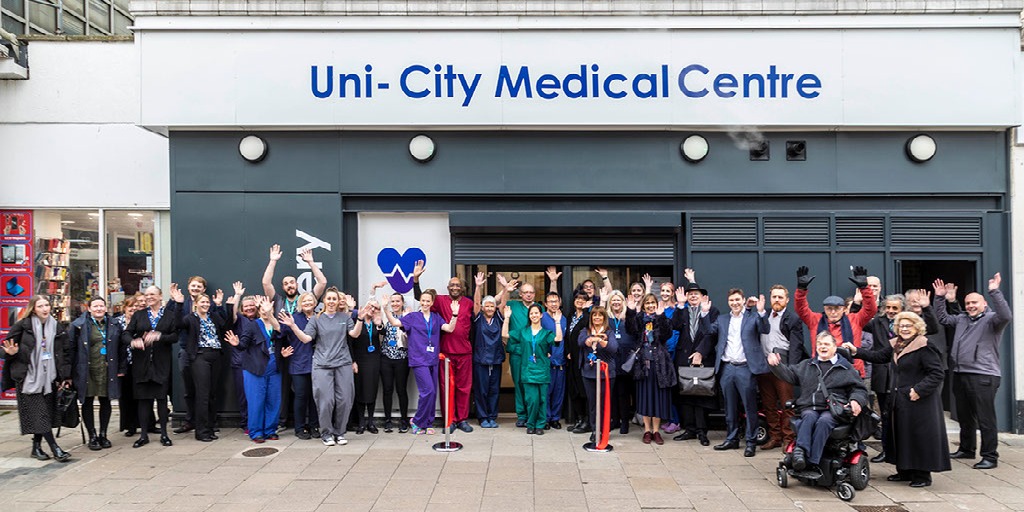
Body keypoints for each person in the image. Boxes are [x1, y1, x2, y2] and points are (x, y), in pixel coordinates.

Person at [844, 312, 950, 487]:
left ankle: (922, 476)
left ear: (917, 327)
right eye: (901, 326)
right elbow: (878, 357)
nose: (904, 329)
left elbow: (937, 373)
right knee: (902, 434)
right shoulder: (896, 344)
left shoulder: (924, 345)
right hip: (900, 399)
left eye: (908, 326)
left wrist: (919, 390)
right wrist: (856, 351)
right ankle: (904, 471)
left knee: (917, 436)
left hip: (919, 401)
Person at [934, 273, 1012, 470]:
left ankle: (990, 456)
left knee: (985, 418)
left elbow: (1006, 316)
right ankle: (967, 448)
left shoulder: (993, 320)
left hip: (983, 375)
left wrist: (994, 291)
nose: (970, 306)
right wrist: (940, 298)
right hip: (961, 373)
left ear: (984, 304)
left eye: (974, 302)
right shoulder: (962, 319)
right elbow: (942, 318)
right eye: (968, 303)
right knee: (965, 416)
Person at [768, 331, 869, 477]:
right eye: (819, 344)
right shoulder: (807, 365)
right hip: (810, 406)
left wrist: (856, 400)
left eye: (826, 344)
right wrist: (776, 365)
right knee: (808, 416)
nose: (822, 347)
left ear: (835, 347)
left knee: (824, 420)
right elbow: (789, 375)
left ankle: (812, 461)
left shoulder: (845, 368)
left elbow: (859, 389)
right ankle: (799, 454)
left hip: (832, 409)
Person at [279, 287, 364, 446]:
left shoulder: (345, 317)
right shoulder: (316, 318)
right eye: (329, 299)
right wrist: (293, 326)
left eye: (334, 299)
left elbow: (354, 334)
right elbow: (306, 338)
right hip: (322, 365)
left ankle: (340, 432)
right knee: (326, 401)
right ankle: (326, 433)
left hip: (343, 363)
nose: (331, 301)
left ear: (338, 301)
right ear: (324, 301)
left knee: (345, 399)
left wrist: (360, 319)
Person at [262, 244, 328, 431]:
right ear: (283, 287)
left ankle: (312, 424)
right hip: (282, 346)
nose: (289, 285)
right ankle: (283, 421)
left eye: (292, 282)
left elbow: (322, 283)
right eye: (286, 283)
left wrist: (311, 262)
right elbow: (266, 283)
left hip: (306, 349)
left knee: (309, 392)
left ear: (297, 284)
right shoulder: (279, 301)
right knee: (284, 387)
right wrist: (273, 261)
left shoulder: (306, 300)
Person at [1, 295, 74, 462]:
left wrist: (65, 375)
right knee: (40, 415)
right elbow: (4, 348)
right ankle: (56, 449)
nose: (45, 309)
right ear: (33, 309)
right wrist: (10, 353)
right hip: (28, 378)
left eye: (46, 305)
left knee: (44, 414)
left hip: (49, 378)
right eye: (40, 306)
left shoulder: (56, 326)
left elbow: (65, 352)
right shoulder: (22, 326)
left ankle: (36, 447)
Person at [383, 288, 459, 435]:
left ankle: (428, 423)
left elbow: (449, 328)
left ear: (432, 303)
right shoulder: (413, 317)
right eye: (423, 300)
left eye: (427, 301)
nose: (425, 303)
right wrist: (386, 308)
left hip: (433, 359)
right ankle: (417, 421)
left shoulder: (436, 317)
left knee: (432, 393)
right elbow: (395, 322)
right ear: (420, 302)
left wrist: (454, 314)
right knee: (427, 391)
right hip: (418, 359)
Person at [703, 289, 769, 457]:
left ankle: (751, 442)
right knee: (729, 407)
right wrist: (704, 313)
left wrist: (761, 311)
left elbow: (765, 329)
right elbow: (709, 331)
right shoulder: (722, 319)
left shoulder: (752, 317)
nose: (735, 303)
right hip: (727, 367)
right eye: (732, 300)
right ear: (728, 302)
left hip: (745, 368)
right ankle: (731, 439)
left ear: (743, 300)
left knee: (749, 406)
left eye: (738, 299)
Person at [412, 260, 475, 433]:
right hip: (445, 353)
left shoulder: (468, 303)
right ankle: (449, 420)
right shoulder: (440, 300)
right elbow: (420, 297)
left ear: (462, 288)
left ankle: (462, 419)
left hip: (465, 352)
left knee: (464, 388)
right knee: (447, 388)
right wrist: (416, 279)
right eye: (452, 285)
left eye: (457, 285)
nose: (454, 287)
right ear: (448, 288)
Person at [794, 265, 876, 384]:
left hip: (851, 371)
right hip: (821, 371)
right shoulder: (815, 320)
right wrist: (801, 289)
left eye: (837, 308)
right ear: (824, 309)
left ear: (844, 309)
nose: (833, 312)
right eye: (829, 308)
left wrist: (864, 288)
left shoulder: (854, 319)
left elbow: (870, 309)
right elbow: (801, 308)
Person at [227, 296, 291, 443]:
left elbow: (283, 336)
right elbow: (243, 344)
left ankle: (270, 430)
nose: (265, 311)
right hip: (254, 369)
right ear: (259, 310)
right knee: (256, 402)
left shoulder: (277, 324)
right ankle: (256, 432)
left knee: (273, 401)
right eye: (262, 309)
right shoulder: (252, 325)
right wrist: (236, 344)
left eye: (268, 309)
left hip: (274, 368)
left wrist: (283, 354)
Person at [123, 285, 180, 448]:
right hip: (141, 363)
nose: (149, 297)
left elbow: (175, 336)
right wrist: (133, 341)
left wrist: (160, 336)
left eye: (152, 294)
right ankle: (143, 435)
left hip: (161, 363)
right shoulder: (139, 315)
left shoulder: (169, 315)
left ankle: (164, 434)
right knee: (143, 400)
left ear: (160, 296)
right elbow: (126, 333)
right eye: (147, 294)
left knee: (161, 399)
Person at [172, 287, 229, 442]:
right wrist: (178, 304)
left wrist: (220, 306)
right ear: (196, 304)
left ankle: (210, 428)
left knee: (212, 394)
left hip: (215, 355)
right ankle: (201, 431)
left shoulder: (213, 317)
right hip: (199, 356)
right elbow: (177, 324)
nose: (205, 304)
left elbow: (226, 326)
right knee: (202, 394)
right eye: (202, 302)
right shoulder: (190, 318)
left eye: (207, 302)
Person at [70, 297, 126, 450]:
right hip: (87, 369)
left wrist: (121, 369)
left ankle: (103, 434)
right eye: (95, 306)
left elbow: (121, 348)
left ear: (106, 308)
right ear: (89, 309)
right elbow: (71, 350)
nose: (99, 309)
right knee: (87, 402)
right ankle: (92, 436)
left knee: (105, 401)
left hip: (107, 369)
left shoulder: (115, 324)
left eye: (102, 306)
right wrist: (69, 374)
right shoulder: (78, 325)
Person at [756, 284, 805, 451]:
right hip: (764, 368)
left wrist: (791, 370)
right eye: (774, 297)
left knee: (787, 405)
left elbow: (796, 347)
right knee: (768, 405)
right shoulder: (763, 314)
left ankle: (788, 439)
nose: (777, 300)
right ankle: (775, 437)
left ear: (787, 300)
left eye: (780, 297)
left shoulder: (793, 319)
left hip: (783, 367)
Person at [670, 274, 716, 446]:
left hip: (703, 359)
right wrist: (680, 305)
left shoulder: (711, 311)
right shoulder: (682, 310)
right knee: (686, 395)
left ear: (703, 296)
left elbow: (712, 335)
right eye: (690, 294)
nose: (693, 296)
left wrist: (700, 352)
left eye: (696, 293)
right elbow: (674, 325)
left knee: (701, 395)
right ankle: (689, 429)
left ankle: (702, 432)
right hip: (683, 359)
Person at [504, 303, 562, 434]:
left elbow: (558, 339)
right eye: (531, 313)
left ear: (541, 315)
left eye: (536, 313)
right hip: (528, 371)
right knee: (531, 399)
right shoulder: (523, 332)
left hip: (542, 371)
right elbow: (505, 334)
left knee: (542, 399)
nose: (534, 315)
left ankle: (540, 425)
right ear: (529, 316)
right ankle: (530, 424)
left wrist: (557, 322)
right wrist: (507, 318)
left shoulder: (546, 333)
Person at [863, 293, 905, 462]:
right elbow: (860, 321)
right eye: (888, 307)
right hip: (882, 375)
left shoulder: (908, 323)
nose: (890, 311)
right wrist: (859, 303)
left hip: (901, 375)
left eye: (895, 308)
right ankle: (886, 451)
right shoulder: (877, 322)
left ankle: (903, 451)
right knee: (885, 416)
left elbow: (932, 327)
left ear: (902, 309)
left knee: (901, 416)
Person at [629, 294, 675, 445]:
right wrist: (631, 311)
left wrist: (661, 317)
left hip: (659, 364)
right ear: (643, 306)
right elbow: (631, 329)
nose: (650, 305)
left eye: (652, 303)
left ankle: (656, 431)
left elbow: (666, 334)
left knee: (658, 399)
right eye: (647, 303)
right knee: (645, 398)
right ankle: (647, 430)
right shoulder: (639, 319)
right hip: (643, 364)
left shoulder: (662, 318)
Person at [497, 273, 535, 428]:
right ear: (520, 294)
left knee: (531, 384)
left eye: (531, 292)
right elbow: (501, 306)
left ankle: (532, 414)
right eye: (525, 292)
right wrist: (506, 289)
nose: (528, 295)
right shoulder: (513, 305)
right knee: (519, 383)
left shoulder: (538, 308)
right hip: (517, 352)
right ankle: (522, 415)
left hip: (533, 353)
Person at [281, 292, 320, 439]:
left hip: (319, 363)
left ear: (315, 303)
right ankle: (300, 428)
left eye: (310, 300)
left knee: (315, 397)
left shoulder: (320, 317)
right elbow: (280, 334)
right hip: (299, 363)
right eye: (304, 301)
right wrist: (283, 351)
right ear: (300, 304)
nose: (307, 303)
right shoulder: (294, 318)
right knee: (301, 396)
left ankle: (314, 426)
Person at [578, 306, 619, 443]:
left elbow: (613, 348)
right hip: (589, 373)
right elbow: (580, 342)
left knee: (604, 403)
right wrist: (590, 339)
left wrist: (601, 340)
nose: (597, 318)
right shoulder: (585, 331)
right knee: (592, 403)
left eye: (600, 315)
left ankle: (604, 428)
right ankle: (595, 429)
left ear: (604, 318)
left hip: (606, 374)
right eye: (594, 315)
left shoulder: (609, 332)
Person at [172, 275, 208, 435]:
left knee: (205, 391)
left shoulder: (207, 304)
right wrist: (176, 303)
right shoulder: (181, 303)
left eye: (199, 286)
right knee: (189, 389)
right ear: (188, 287)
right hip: (186, 350)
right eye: (193, 286)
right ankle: (190, 420)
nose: (195, 288)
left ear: (203, 289)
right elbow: (174, 323)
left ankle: (206, 422)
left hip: (204, 352)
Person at [472, 272, 506, 428]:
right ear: (483, 307)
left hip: (496, 360)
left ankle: (492, 416)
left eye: (492, 305)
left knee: (494, 390)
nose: (490, 308)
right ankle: (482, 417)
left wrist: (505, 288)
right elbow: (476, 303)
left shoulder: (498, 318)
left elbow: (503, 303)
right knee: (481, 390)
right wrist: (478, 287)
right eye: (487, 305)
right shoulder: (478, 318)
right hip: (481, 360)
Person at [116, 294, 151, 437]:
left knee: (143, 394)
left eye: (136, 307)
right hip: (123, 363)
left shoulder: (141, 320)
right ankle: (130, 426)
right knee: (126, 395)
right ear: (124, 308)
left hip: (139, 362)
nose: (133, 309)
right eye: (130, 307)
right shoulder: (117, 322)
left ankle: (147, 424)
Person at [377, 290, 412, 433]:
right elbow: (381, 331)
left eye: (398, 301)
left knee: (401, 390)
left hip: (402, 358)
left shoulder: (407, 316)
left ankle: (404, 420)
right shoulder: (386, 316)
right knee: (387, 390)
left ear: (402, 302)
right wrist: (380, 324)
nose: (395, 303)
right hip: (386, 358)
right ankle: (387, 420)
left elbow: (408, 333)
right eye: (393, 301)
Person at [606, 289, 638, 435]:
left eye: (618, 300)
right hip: (611, 358)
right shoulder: (607, 318)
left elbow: (636, 331)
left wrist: (631, 312)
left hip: (626, 359)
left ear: (623, 302)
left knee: (624, 393)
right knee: (612, 392)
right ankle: (615, 420)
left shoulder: (628, 317)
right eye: (613, 300)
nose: (616, 302)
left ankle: (625, 422)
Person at [350, 295, 382, 434]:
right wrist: (353, 361)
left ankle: (370, 422)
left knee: (372, 390)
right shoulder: (357, 321)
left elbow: (384, 333)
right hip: (360, 360)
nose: (372, 309)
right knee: (360, 390)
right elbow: (350, 342)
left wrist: (379, 324)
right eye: (370, 306)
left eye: (376, 308)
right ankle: (361, 423)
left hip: (374, 360)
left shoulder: (377, 322)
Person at [227, 283, 256, 430]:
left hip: (258, 364)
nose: (249, 308)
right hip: (241, 363)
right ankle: (246, 423)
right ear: (242, 309)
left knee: (256, 395)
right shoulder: (239, 319)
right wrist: (237, 295)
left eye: (252, 305)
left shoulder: (260, 320)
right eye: (246, 306)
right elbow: (231, 314)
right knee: (244, 395)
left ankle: (257, 422)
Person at [566, 288, 594, 434]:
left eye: (583, 299)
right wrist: (567, 352)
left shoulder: (588, 317)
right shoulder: (570, 316)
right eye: (578, 298)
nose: (580, 301)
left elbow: (587, 331)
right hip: (571, 359)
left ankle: (587, 422)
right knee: (574, 390)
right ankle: (579, 418)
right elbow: (568, 336)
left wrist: (586, 311)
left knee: (584, 390)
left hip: (583, 359)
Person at [541, 290, 567, 430]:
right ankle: (545, 418)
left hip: (561, 361)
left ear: (560, 302)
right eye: (550, 301)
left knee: (558, 392)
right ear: (545, 304)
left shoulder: (564, 319)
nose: (553, 304)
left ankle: (555, 418)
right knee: (546, 392)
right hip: (547, 362)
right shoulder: (542, 318)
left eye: (555, 301)